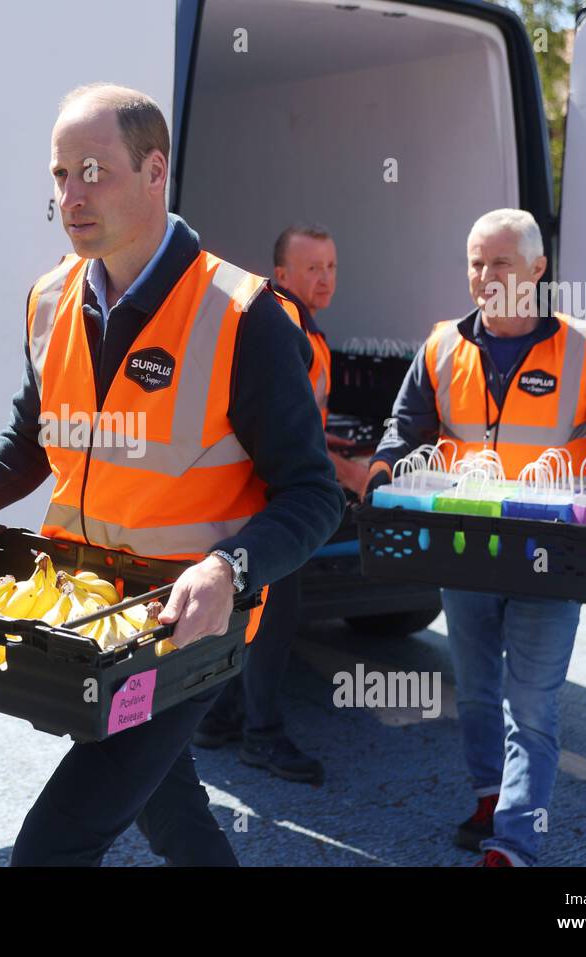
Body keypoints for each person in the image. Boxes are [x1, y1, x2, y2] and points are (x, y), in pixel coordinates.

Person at [0, 82, 344, 866]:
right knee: (171, 812)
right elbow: (33, 439)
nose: (71, 195)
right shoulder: (51, 296)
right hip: (86, 615)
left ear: (156, 170)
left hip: (182, 628)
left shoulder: (244, 313)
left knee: (54, 846)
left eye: (93, 170)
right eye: (60, 175)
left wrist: (230, 567)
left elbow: (314, 494)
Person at [363, 208, 586, 866]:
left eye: (500, 262)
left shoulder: (584, 347)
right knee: (474, 688)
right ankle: (487, 792)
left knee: (530, 700)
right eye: (475, 261)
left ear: (536, 269)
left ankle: (515, 842)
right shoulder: (443, 345)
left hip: (553, 553)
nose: (485, 275)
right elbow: (404, 425)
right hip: (465, 547)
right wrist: (383, 469)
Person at [192, 224, 361, 782]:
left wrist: (328, 442)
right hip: (273, 509)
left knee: (251, 620)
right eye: (312, 268)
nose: (325, 277)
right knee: (271, 624)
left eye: (332, 266)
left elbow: (296, 424)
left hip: (264, 506)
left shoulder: (307, 332)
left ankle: (219, 719)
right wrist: (352, 474)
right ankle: (261, 737)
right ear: (282, 275)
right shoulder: (285, 327)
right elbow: (289, 446)